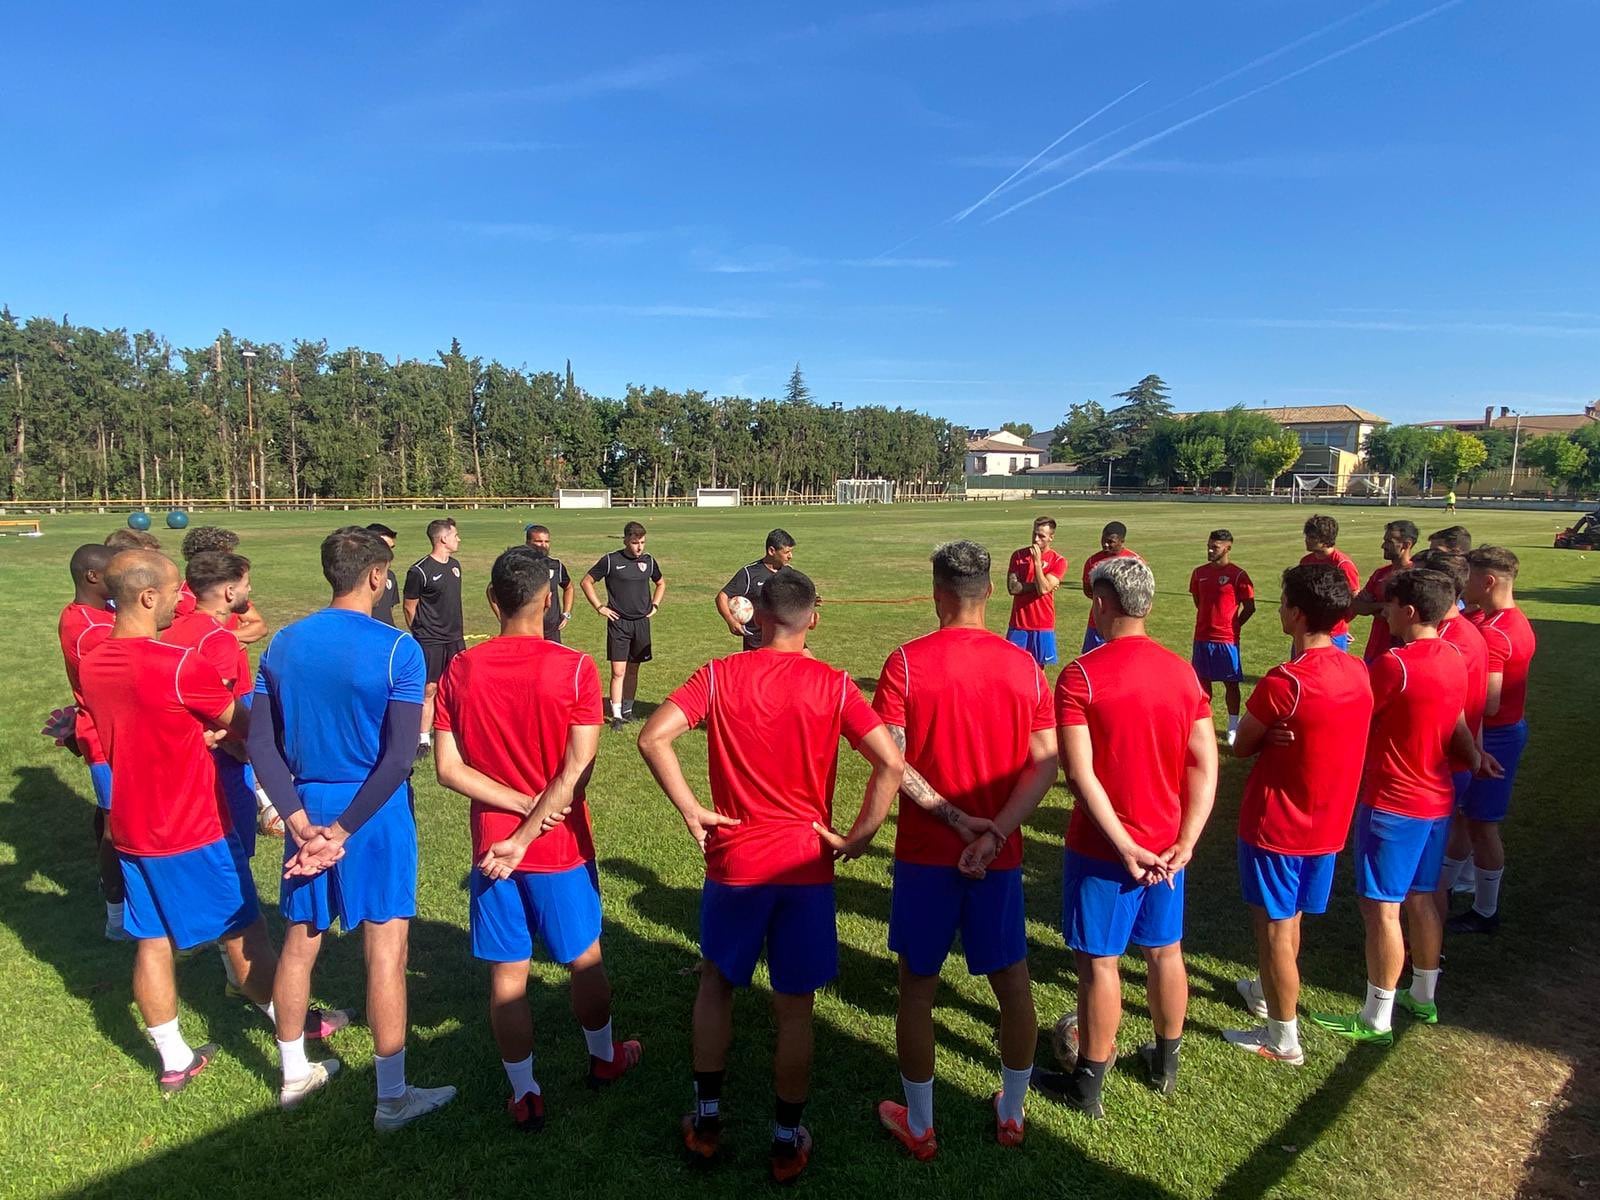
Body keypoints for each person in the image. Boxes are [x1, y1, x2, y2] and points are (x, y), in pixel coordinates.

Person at [637, 567, 903, 1184]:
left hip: (735, 860)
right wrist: (860, 836)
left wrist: (690, 807)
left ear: (755, 615)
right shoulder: (834, 684)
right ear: (813, 617)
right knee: (795, 1011)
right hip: (805, 865)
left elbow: (654, 737)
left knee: (716, 984)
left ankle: (706, 1122)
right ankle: (785, 1140)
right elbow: (890, 763)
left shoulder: (719, 673)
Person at [250, 526, 457, 1126]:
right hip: (375, 813)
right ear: (375, 576)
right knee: (386, 950)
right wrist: (341, 832)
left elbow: (262, 746)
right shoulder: (398, 649)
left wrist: (299, 824)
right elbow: (398, 756)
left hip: (305, 809)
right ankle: (392, 1096)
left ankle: (294, 1074)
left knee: (299, 942)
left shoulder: (282, 644)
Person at [433, 548, 640, 1131]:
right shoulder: (575, 668)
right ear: (548, 599)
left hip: (492, 849)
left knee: (507, 976)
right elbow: (576, 770)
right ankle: (603, 1059)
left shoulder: (460, 669)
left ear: (492, 601)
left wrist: (514, 812)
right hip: (557, 845)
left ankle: (525, 1094)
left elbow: (448, 770)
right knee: (584, 958)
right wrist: (536, 814)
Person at [873, 541, 1058, 1158]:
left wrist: (955, 820)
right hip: (997, 859)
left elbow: (891, 763)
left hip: (927, 853)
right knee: (1013, 984)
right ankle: (1011, 1112)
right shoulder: (1025, 667)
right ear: (990, 593)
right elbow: (1045, 763)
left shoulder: (904, 664)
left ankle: (921, 1125)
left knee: (917, 990)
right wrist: (996, 831)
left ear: (937, 594)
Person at [78, 550, 280, 1096]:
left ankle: (174, 1058)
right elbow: (245, 724)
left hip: (129, 826)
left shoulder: (93, 661)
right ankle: (296, 1037)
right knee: (246, 932)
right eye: (173, 593)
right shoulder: (176, 665)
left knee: (152, 941)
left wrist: (197, 732)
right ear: (147, 597)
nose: (180, 601)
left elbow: (137, 721)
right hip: (192, 825)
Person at [1032, 557, 1218, 1118]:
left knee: (1100, 964)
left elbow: (1080, 774)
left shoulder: (1081, 676)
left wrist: (1121, 843)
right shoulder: (1183, 673)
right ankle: (1165, 1065)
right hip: (1166, 848)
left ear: (1102, 604)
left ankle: (1087, 1085)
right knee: (1165, 952)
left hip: (1103, 850)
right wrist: (1187, 840)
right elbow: (1205, 762)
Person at [1310, 569, 1491, 1042]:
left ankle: (1376, 1017)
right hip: (1436, 800)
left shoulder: (1396, 665)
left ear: (1409, 612)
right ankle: (1424, 996)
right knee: (1423, 895)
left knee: (1382, 908)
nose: (1383, 612)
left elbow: (1353, 713)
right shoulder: (1454, 655)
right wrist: (1473, 758)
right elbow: (1455, 717)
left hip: (1393, 803)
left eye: (1389, 606)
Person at [1224, 564, 1373, 1065]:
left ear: (1297, 612)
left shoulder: (1285, 682)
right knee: (1290, 923)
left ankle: (1282, 1038)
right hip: (1327, 824)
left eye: (1283, 598)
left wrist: (1269, 734)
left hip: (1276, 825)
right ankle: (1269, 995)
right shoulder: (1358, 671)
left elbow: (1241, 745)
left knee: (1273, 930)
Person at [1445, 546, 1537, 934]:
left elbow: (1492, 702)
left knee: (1482, 824)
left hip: (1494, 738)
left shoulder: (1496, 634)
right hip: (1503, 733)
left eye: (1468, 577)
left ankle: (1485, 911)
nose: (1463, 584)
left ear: (1488, 582)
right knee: (1467, 818)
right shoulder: (1510, 621)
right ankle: (1447, 891)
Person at [164, 552, 271, 859]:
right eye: (246, 584)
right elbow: (215, 708)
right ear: (229, 592)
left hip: (180, 756)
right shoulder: (218, 639)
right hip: (217, 763)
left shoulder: (172, 631)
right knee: (234, 851)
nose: (249, 591)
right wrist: (239, 747)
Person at [1409, 551, 1490, 895]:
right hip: (1449, 760)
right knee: (1424, 874)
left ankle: (1421, 947)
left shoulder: (1452, 643)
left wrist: (1473, 753)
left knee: (1420, 882)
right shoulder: (1460, 633)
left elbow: (1452, 712)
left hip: (1438, 766)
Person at [56, 544, 121, 938]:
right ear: (93, 577)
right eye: (115, 571)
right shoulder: (91, 630)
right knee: (117, 826)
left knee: (119, 816)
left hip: (112, 734)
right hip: (105, 742)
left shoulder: (98, 614)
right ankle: (116, 915)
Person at [582, 521, 666, 731]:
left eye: (643, 542)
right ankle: (617, 715)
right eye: (635, 542)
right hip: (619, 623)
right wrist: (599, 606)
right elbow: (586, 582)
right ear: (626, 540)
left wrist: (655, 604)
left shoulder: (649, 561)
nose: (639, 547)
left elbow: (661, 583)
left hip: (641, 623)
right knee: (618, 671)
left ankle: (628, 709)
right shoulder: (611, 561)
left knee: (633, 669)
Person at [1188, 529, 1256, 744]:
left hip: (1226, 639)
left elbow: (1250, 607)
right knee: (1202, 684)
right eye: (1208, 545)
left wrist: (1234, 625)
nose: (1209, 550)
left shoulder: (1238, 575)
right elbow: (1198, 600)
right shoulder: (1199, 573)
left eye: (1214, 547)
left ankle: (1233, 726)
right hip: (1202, 637)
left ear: (1228, 547)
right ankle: (1204, 724)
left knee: (1231, 684)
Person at [403, 517, 464, 755]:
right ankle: (423, 739)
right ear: (443, 538)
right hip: (430, 640)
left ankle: (453, 728)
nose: (458, 539)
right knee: (429, 688)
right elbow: (410, 606)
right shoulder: (420, 571)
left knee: (457, 685)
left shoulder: (455, 565)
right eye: (455, 535)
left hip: (455, 636)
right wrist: (420, 632)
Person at [176, 526, 269, 644]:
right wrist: (238, 635)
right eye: (228, 555)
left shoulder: (232, 591)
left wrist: (225, 636)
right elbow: (191, 640)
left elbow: (260, 627)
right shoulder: (182, 599)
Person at [716, 529, 796, 652]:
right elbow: (722, 597)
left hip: (785, 638)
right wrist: (731, 621)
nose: (790, 556)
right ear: (771, 551)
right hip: (757, 643)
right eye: (787, 552)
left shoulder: (788, 573)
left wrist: (809, 600)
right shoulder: (749, 573)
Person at [1004, 517, 1067, 667]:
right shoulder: (1018, 556)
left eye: (1041, 536)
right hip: (1019, 623)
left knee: (1039, 669)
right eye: (1034, 534)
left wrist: (1037, 563)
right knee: (1014, 667)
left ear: (1051, 537)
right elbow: (1013, 588)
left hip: (1042, 623)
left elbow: (1044, 589)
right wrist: (1042, 585)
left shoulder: (1058, 561)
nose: (1036, 539)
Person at [1353, 519, 1418, 663]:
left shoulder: (1415, 576)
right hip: (1374, 651)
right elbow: (1357, 606)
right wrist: (1382, 606)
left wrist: (1373, 606)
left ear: (1406, 545)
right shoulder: (1380, 574)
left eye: (1389, 541)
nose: (1383, 545)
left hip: (1399, 654)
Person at [1299, 515, 1360, 652]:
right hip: (1306, 630)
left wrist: (1339, 623)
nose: (1306, 540)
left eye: (1312, 537)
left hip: (1333, 634)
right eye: (1307, 536)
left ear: (1325, 540)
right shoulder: (1305, 562)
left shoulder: (1343, 565)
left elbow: (1354, 600)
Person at [1078, 522, 1138, 653]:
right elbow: (1088, 590)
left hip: (1123, 627)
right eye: (1103, 540)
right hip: (1096, 624)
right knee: (1091, 662)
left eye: (1110, 542)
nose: (1105, 544)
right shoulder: (1092, 561)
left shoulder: (1134, 562)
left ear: (1122, 541)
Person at [524, 524, 575, 644]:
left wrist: (566, 613)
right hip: (526, 629)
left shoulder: (556, 565)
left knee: (552, 662)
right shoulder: (519, 566)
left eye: (546, 541)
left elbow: (569, 587)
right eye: (538, 541)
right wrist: (502, 617)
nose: (544, 545)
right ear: (527, 543)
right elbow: (492, 589)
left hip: (552, 629)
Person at [366, 524, 401, 627]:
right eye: (385, 548)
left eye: (391, 548)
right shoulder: (357, 577)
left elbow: (389, 609)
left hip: (387, 636)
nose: (390, 554)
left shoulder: (390, 576)